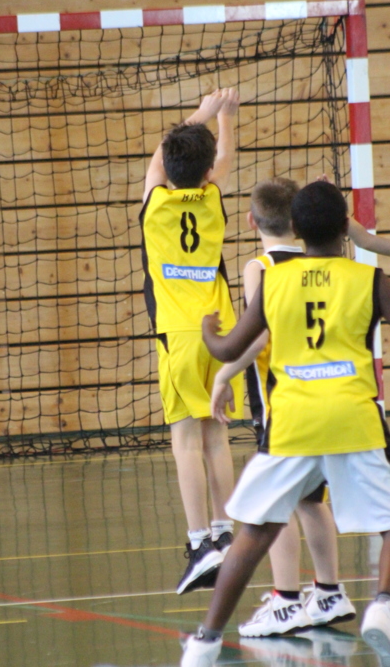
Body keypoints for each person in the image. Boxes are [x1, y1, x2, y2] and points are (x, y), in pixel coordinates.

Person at [181, 180, 390, 666]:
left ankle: (206, 640)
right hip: (353, 417)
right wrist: (372, 243)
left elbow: (229, 349)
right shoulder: (370, 280)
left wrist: (209, 332)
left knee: (255, 530)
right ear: (345, 228)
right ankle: (382, 604)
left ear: (295, 228)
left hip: (293, 422)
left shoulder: (274, 281)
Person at [208, 177, 355, 636]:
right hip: (327, 394)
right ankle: (329, 591)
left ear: (251, 221)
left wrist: (225, 374)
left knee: (278, 503)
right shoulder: (323, 261)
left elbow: (261, 334)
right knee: (311, 501)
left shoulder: (261, 267)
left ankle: (286, 599)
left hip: (282, 401)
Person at [140, 88, 244, 594]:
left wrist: (203, 113)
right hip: (221, 332)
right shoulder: (213, 199)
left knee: (185, 441)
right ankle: (225, 534)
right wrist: (227, 119)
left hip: (180, 334)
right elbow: (224, 160)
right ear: (206, 173)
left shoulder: (156, 205)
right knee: (216, 436)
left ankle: (200, 543)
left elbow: (158, 162)